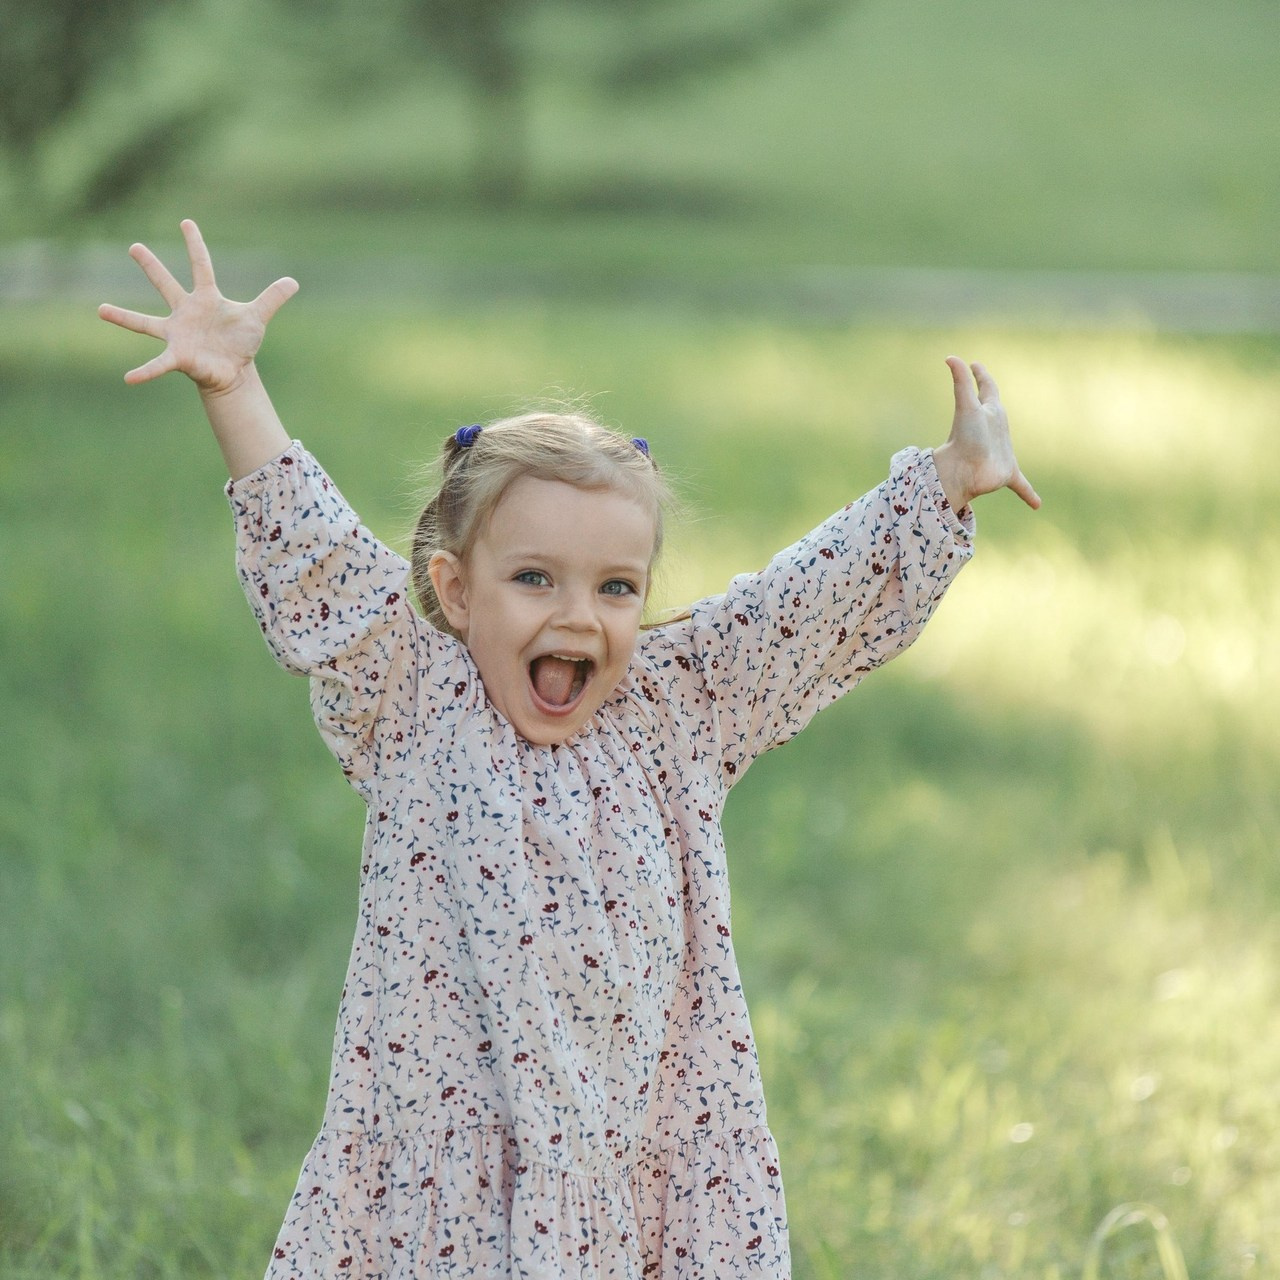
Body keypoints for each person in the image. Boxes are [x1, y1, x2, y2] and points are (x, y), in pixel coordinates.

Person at [99, 220, 1039, 1279]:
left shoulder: (676, 708)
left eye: (615, 587)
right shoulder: (412, 700)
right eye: (533, 578)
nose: (578, 616)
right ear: (456, 591)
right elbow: (322, 562)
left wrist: (945, 479)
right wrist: (231, 388)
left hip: (646, 1152)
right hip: (451, 1175)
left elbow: (800, 605)